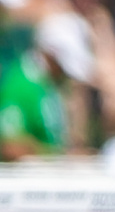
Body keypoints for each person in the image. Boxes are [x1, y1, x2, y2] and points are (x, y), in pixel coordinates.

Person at [0, 13, 91, 159]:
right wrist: (59, 156)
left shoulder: (50, 85)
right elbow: (10, 145)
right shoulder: (19, 85)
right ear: (50, 55)